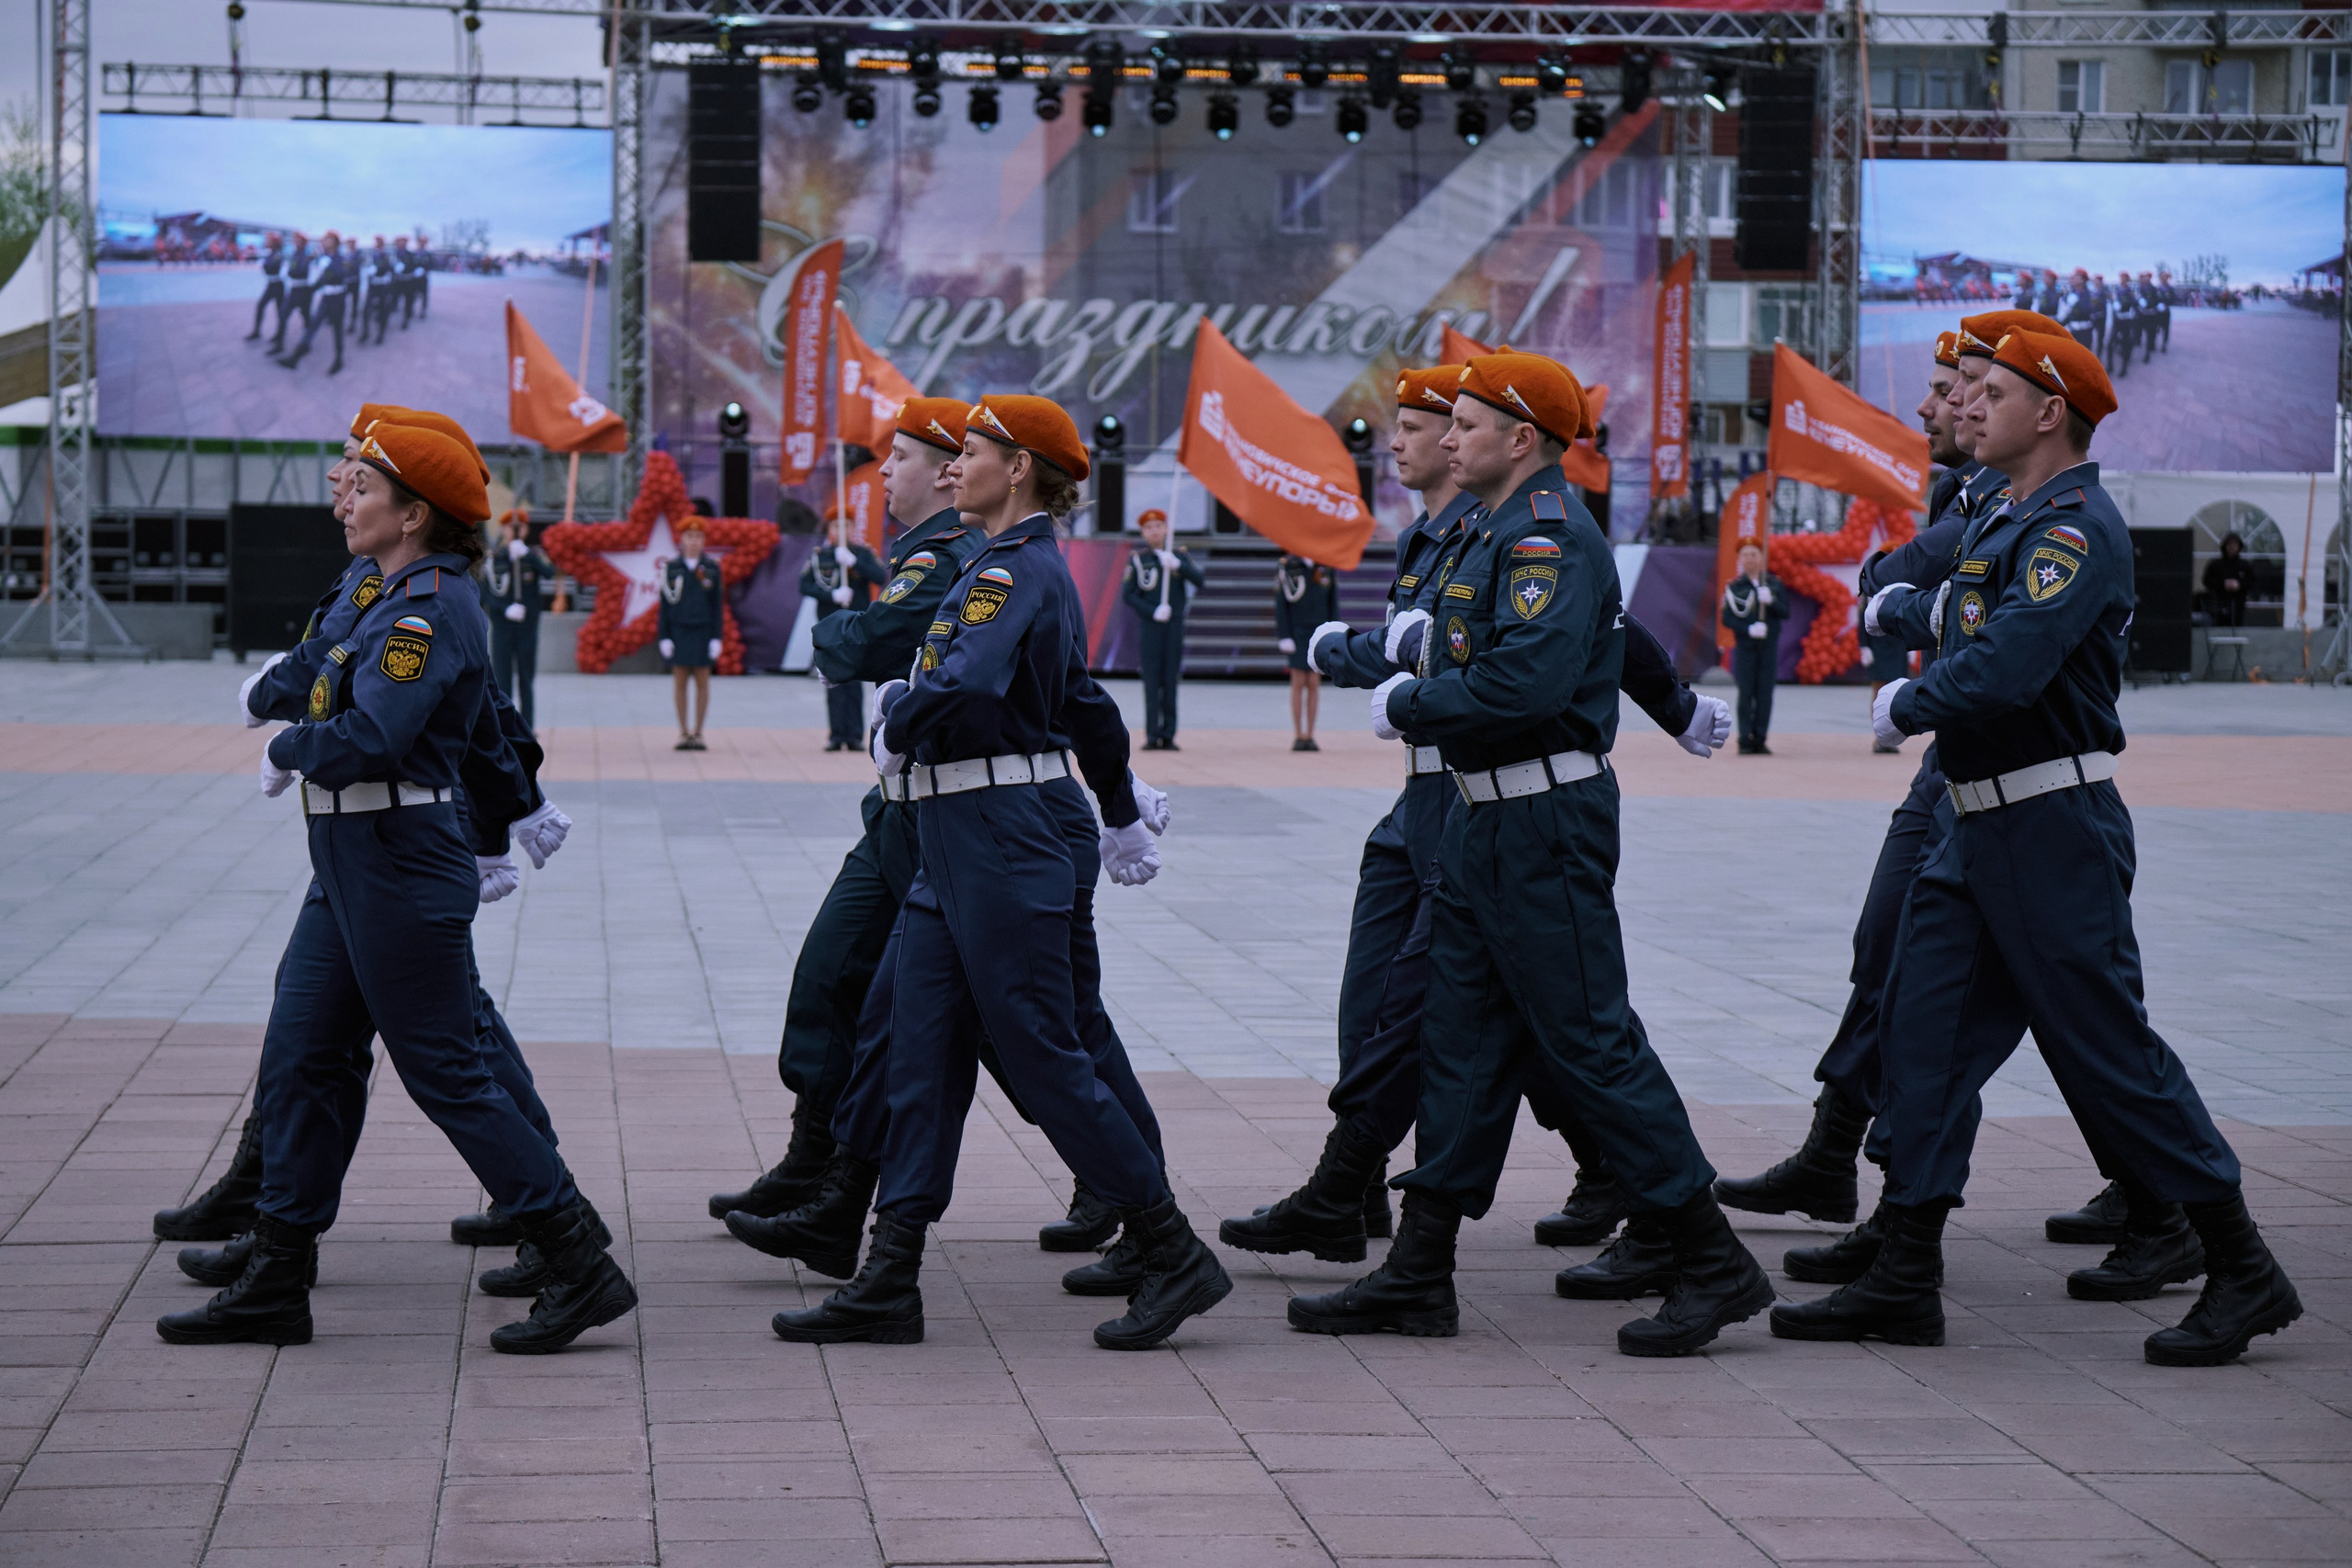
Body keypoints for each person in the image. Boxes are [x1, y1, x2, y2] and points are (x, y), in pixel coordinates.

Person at [1778, 329, 2302, 1368]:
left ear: (2050, 413)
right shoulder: (2006, 517)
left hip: (2050, 825)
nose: (1968, 405)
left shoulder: (2074, 529)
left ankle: (2240, 1263)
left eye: (1992, 392)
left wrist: (1906, 700)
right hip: (1976, 823)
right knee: (1924, 1040)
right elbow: (1956, 615)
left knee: (2113, 1056)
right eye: (1968, 390)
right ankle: (1904, 1272)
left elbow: (2006, 664)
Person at [1286, 354, 1770, 1358]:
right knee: (1460, 1043)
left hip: (1543, 818)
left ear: (1521, 439)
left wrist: (1411, 701)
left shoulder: (1547, 536)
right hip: (1483, 815)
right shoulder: (1489, 531)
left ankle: (1709, 1254)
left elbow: (1526, 684)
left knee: (1592, 1043)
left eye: (1465, 423)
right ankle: (1420, 1269)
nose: (1447, 436)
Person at [158, 417, 632, 1354]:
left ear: (413, 515)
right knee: (305, 1054)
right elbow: (335, 678)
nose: (346, 501)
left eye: (365, 489)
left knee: (448, 1074)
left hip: (397, 854)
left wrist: (290, 747)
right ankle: (276, 1272)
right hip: (353, 854)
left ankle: (576, 1258)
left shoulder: (427, 608)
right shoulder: (387, 592)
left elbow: (375, 733)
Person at [776, 393, 1228, 1352]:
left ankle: (1171, 1246)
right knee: (919, 1052)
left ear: (1018, 468)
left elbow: (970, 677)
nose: (952, 466)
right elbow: (1083, 701)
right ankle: (889, 1274)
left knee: (1041, 1051)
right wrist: (1116, 806)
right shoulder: (1001, 563)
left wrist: (898, 716)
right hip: (960, 833)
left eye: (971, 451)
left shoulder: (1010, 569)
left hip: (998, 835)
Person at [710, 399, 992, 1226]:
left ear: (945, 470)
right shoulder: (922, 552)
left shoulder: (947, 556)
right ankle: (812, 1160)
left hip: (947, 822)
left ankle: (1118, 1188)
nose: (884, 473)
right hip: (898, 811)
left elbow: (870, 639)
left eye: (899, 457)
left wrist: (837, 629)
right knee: (830, 974)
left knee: (1015, 1024)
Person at [800, 511, 888, 750]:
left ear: (853, 529)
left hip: (856, 626)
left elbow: (880, 576)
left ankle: (854, 735)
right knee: (833, 680)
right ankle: (836, 735)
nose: (841, 531)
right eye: (836, 526)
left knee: (855, 681)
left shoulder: (862, 553)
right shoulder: (820, 556)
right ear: (829, 529)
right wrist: (832, 595)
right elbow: (804, 585)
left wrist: (853, 562)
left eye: (846, 525)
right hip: (830, 626)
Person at [1120, 508, 1203, 750]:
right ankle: (1152, 734)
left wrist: (1179, 565)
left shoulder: (1179, 556)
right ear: (1143, 533)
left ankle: (1169, 734)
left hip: (1174, 625)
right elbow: (1128, 595)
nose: (1154, 531)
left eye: (1158, 526)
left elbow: (1199, 580)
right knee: (1151, 679)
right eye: (1149, 528)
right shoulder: (1139, 560)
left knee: (1170, 679)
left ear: (1166, 529)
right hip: (1150, 627)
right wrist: (1152, 610)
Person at [481, 508, 556, 729]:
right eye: (510, 528)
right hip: (503, 627)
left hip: (527, 628)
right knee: (502, 680)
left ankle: (528, 728)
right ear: (503, 530)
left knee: (526, 679)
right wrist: (505, 609)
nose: (514, 532)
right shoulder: (495, 558)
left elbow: (550, 572)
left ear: (525, 530)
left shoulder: (533, 555)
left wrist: (528, 555)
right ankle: (505, 729)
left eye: (519, 528)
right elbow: (485, 594)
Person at [658, 521, 724, 750]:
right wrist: (664, 637)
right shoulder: (672, 568)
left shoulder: (712, 568)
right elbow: (664, 606)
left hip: (703, 631)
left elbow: (717, 606)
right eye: (689, 536)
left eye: (698, 537)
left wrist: (717, 637)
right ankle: (683, 732)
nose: (694, 541)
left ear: (703, 541)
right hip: (679, 631)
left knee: (703, 683)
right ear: (682, 540)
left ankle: (698, 732)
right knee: (680, 683)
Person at [1721, 542, 1789, 754]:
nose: (1750, 558)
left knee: (1765, 694)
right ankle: (1744, 738)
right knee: (1746, 693)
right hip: (1746, 648)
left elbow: (1785, 612)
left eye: (1754, 554)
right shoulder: (1735, 587)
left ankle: (1760, 738)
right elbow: (1727, 618)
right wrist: (1748, 629)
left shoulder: (1773, 584)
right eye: (1746, 555)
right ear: (1740, 559)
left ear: (1760, 558)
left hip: (1768, 648)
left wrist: (1771, 601)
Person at [1273, 554, 1340, 750]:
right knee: (1298, 682)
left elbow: (1333, 603)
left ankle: (1310, 735)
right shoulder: (1289, 567)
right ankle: (1298, 735)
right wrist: (1285, 635)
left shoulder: (1326, 566)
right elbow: (1281, 605)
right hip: (1297, 632)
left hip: (1319, 631)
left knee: (1313, 683)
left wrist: (1334, 632)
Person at [244, 232, 288, 344]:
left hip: (278, 285)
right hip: (271, 284)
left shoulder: (278, 255)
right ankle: (257, 331)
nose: (266, 242)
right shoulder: (269, 254)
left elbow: (273, 268)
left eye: (268, 240)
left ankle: (279, 336)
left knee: (280, 311)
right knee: (260, 306)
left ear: (274, 242)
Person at [2203, 531, 2250, 628]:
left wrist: (2239, 585)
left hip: (2238, 604)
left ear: (2239, 546)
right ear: (2225, 546)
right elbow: (2207, 581)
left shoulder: (2245, 565)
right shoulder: (2216, 565)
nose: (2232, 547)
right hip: (2219, 603)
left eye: (2234, 544)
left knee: (2237, 626)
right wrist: (2223, 584)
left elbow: (2252, 581)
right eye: (2229, 544)